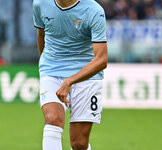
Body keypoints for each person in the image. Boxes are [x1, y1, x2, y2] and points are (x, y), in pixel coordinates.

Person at [33, 0, 108, 149]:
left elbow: (101, 60)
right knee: (52, 119)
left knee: (79, 143)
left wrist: (69, 81)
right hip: (52, 70)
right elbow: (41, 33)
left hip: (86, 75)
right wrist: (47, 66)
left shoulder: (94, 11)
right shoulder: (40, 3)